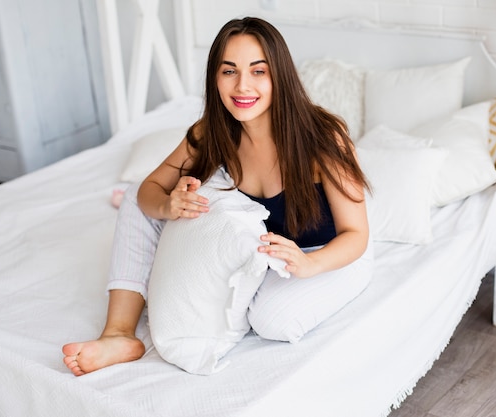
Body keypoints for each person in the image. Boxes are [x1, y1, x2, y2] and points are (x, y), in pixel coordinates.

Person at [62, 16, 373, 376]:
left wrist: (311, 265)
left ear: (280, 76)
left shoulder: (324, 137)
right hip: (265, 253)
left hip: (329, 254)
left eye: (259, 71)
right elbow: (147, 191)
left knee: (272, 321)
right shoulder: (212, 132)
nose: (243, 86)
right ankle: (118, 334)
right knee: (134, 200)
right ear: (215, 77)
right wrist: (168, 204)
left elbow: (357, 235)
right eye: (229, 71)